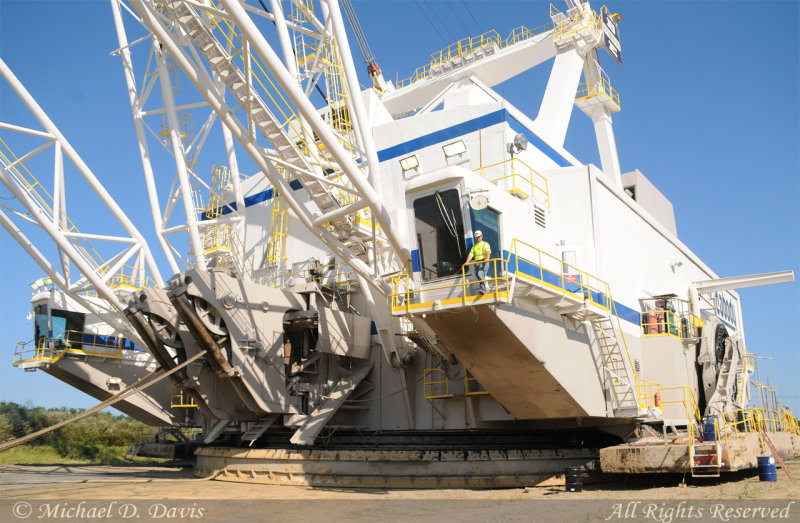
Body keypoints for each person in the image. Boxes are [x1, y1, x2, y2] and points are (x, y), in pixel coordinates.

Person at [463, 230, 491, 294]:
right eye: (477, 237)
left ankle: (483, 289)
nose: (478, 238)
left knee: (480, 274)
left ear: (482, 236)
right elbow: (471, 254)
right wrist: (467, 261)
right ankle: (482, 288)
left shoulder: (485, 244)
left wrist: (487, 258)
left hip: (484, 262)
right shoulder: (474, 246)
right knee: (478, 276)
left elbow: (488, 252)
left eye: (479, 236)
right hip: (477, 263)